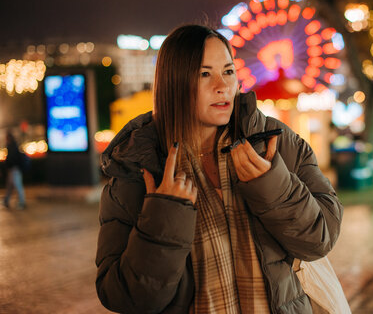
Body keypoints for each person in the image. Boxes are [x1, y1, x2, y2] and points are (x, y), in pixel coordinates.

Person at [95, 24, 343, 313]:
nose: (222, 86)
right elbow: (122, 296)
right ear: (173, 83)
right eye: (204, 74)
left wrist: (274, 187)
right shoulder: (139, 167)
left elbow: (320, 239)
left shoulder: (274, 141)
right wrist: (163, 217)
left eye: (228, 71)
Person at [3, 131, 27, 210]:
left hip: (14, 169)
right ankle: (6, 200)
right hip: (14, 169)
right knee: (11, 186)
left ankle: (22, 202)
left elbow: (11, 159)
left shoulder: (11, 146)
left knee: (17, 185)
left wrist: (8, 166)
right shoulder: (14, 145)